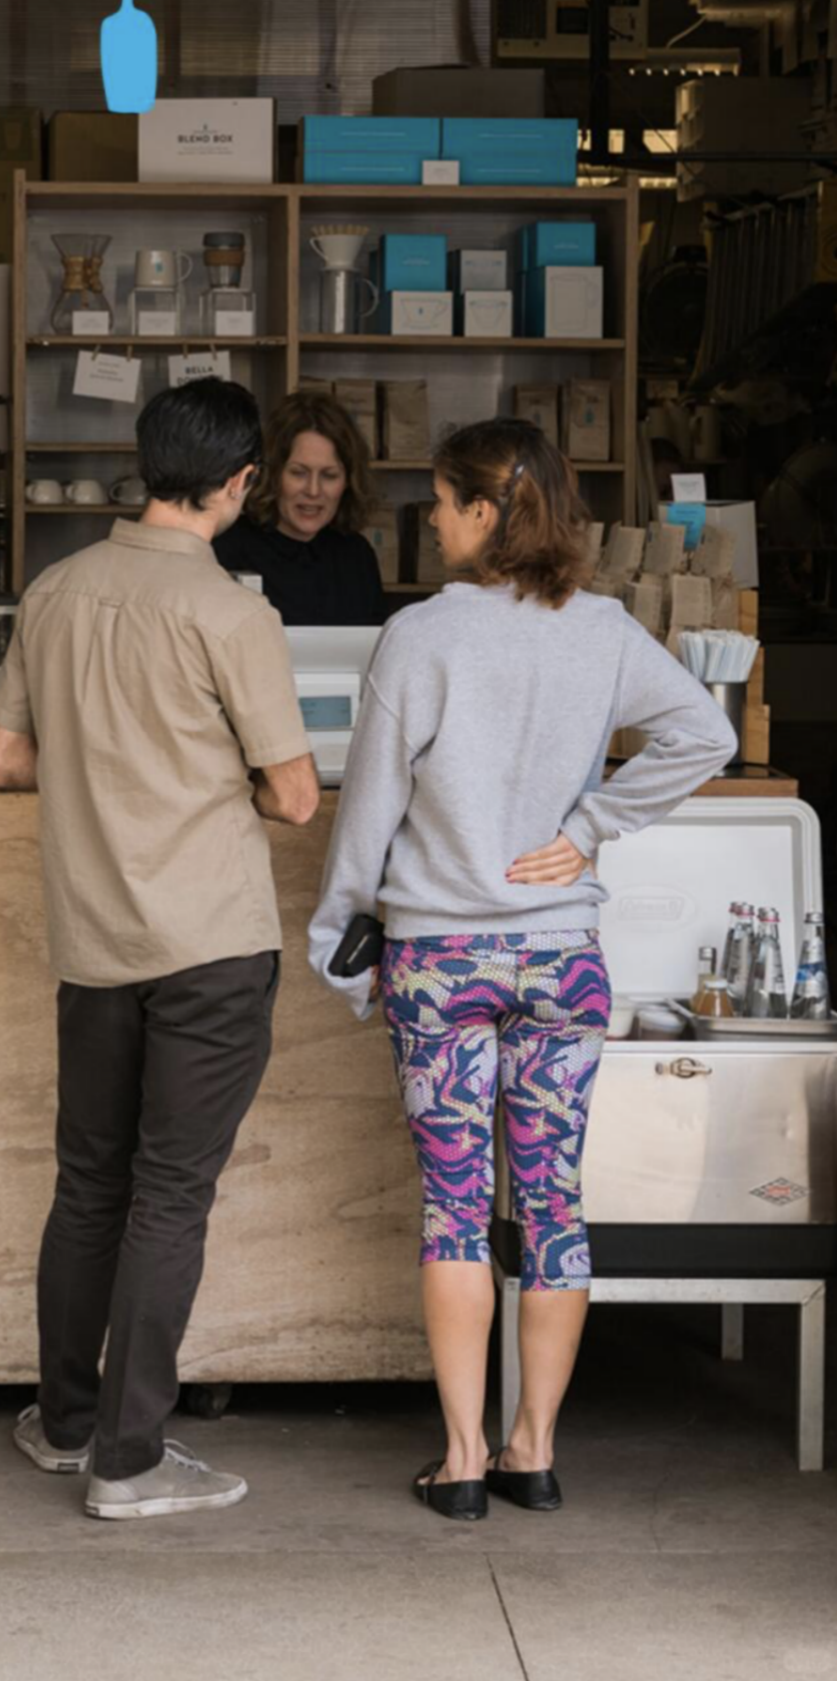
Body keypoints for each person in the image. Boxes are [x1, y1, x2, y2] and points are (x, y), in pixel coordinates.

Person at [308, 417, 736, 1524]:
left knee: (455, 1207)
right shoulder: (601, 627)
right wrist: (594, 825)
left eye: (443, 503)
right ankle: (532, 1448)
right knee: (551, 1203)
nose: (433, 520)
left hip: (440, 958)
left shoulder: (418, 634)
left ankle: (458, 1459)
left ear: (487, 512)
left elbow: (370, 805)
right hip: (561, 956)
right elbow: (705, 734)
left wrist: (338, 933)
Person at [0, 376, 319, 1521]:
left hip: (95, 939)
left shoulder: (56, 589)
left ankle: (65, 1419)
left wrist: (106, 767)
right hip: (208, 944)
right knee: (170, 1194)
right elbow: (295, 795)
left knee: (89, 1184)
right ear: (239, 483)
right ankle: (127, 1461)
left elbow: (3, 761)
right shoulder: (233, 613)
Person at [214, 388, 386, 625]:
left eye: (329, 475)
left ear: (348, 481)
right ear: (271, 474)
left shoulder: (357, 556)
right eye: (298, 473)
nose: (313, 490)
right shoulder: (225, 550)